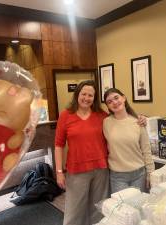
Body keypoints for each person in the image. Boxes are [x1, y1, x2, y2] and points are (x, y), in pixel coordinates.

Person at [55, 80, 147, 225]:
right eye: (83, 94)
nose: (86, 98)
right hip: (76, 171)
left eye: (90, 95)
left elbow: (120, 118)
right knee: (74, 213)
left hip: (101, 170)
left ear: (94, 98)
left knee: (98, 210)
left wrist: (141, 118)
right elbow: (58, 145)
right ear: (77, 95)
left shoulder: (101, 116)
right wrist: (59, 171)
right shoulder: (66, 115)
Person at [103, 88, 154, 194]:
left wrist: (150, 173)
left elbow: (146, 150)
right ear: (108, 106)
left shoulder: (138, 122)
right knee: (122, 209)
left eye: (116, 98)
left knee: (138, 208)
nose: (114, 102)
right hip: (118, 176)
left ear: (124, 98)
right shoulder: (105, 123)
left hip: (139, 174)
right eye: (109, 101)